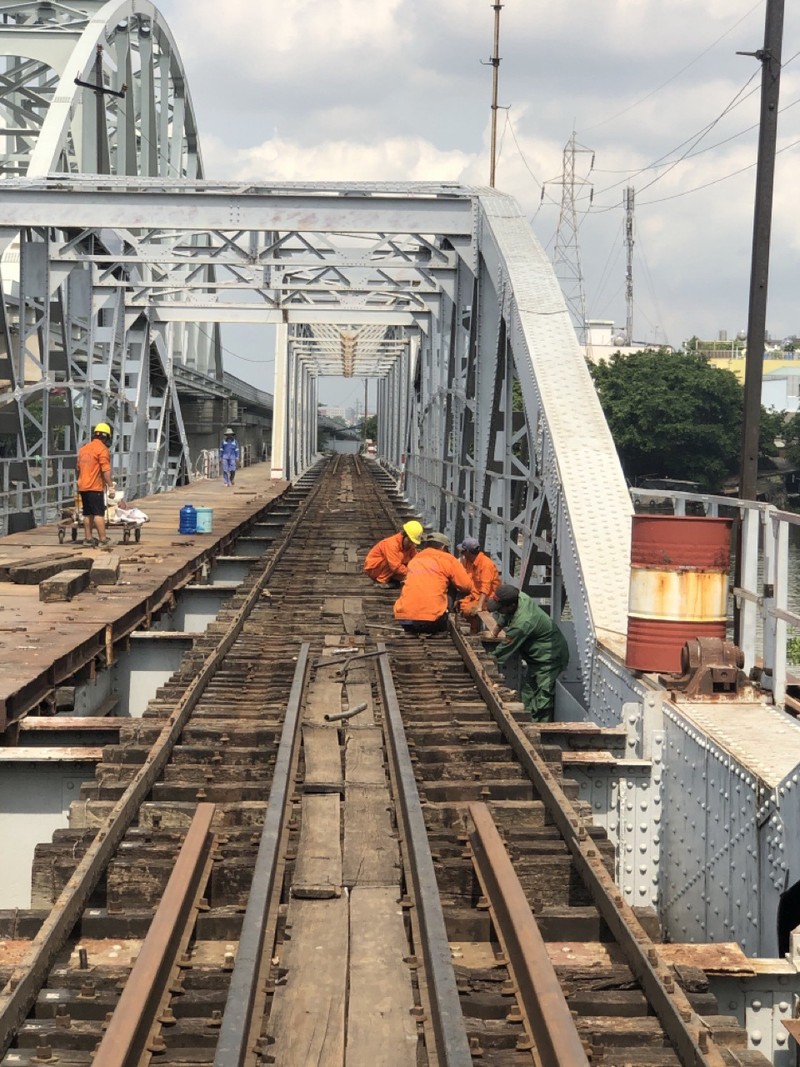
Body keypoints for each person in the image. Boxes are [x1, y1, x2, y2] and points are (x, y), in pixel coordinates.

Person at [486, 583, 569, 722]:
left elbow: (506, 646)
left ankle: (540, 730)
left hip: (550, 657)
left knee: (543, 696)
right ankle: (526, 719)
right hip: (536, 657)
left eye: (500, 609)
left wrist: (489, 658)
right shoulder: (519, 597)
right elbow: (506, 615)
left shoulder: (523, 622)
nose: (499, 612)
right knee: (528, 691)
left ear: (511, 605)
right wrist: (495, 631)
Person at [393, 532, 474, 633]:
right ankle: (444, 612)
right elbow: (466, 586)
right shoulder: (448, 559)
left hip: (405, 620)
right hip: (432, 622)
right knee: (452, 584)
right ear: (443, 547)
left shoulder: (414, 560)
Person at [76, 422, 113, 547]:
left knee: (87, 513)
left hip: (83, 486)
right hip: (94, 487)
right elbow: (105, 470)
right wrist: (110, 485)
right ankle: (103, 539)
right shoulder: (102, 449)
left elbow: (78, 468)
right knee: (98, 513)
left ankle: (88, 538)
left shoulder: (83, 449)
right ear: (106, 437)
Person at [363, 521, 424, 586]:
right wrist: (411, 573)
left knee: (408, 565)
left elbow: (416, 560)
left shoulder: (410, 546)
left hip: (390, 569)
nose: (411, 544)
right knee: (398, 559)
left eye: (413, 542)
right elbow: (395, 566)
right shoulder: (392, 544)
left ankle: (391, 579)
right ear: (404, 535)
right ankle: (381, 580)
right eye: (409, 541)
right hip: (373, 568)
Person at [456, 536, 500, 622]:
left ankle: (474, 630)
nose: (462, 553)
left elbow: (485, 588)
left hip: (488, 599)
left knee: (468, 610)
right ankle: (472, 628)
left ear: (468, 552)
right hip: (475, 595)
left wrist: (479, 606)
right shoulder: (469, 561)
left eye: (463, 551)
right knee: (460, 605)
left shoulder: (485, 564)